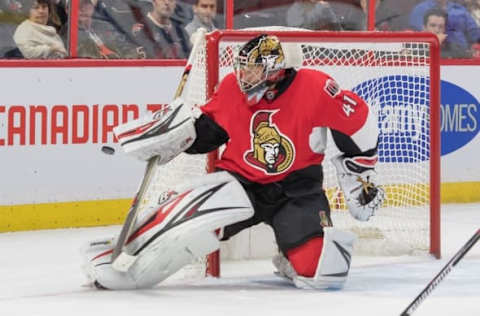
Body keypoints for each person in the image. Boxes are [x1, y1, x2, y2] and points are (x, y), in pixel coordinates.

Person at [82, 34, 385, 290]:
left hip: (298, 191)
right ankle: (123, 249)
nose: (244, 77)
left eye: (253, 70)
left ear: (275, 70)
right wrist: (179, 137)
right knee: (187, 225)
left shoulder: (315, 88)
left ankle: (291, 255)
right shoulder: (230, 88)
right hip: (240, 183)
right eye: (242, 69)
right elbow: (209, 134)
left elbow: (360, 121)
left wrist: (360, 173)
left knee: (324, 273)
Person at [71, 0, 143, 59]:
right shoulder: (69, 32)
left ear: (93, 8)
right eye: (79, 7)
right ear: (68, 10)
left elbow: (125, 45)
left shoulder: (104, 26)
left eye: (87, 5)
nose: (83, 10)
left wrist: (131, 54)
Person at [409, 0, 480, 51]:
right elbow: (415, 36)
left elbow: (475, 35)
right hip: (431, 53)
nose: (437, 29)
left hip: (462, 55)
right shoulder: (420, 9)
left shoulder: (460, 9)